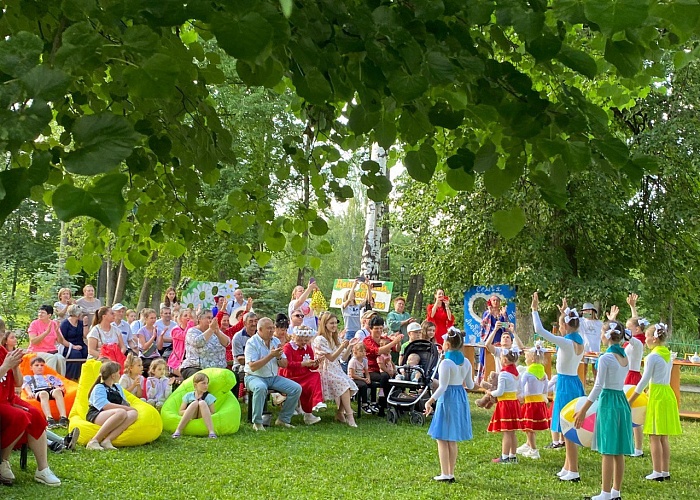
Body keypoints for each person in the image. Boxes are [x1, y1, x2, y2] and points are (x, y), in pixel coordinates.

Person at [574, 320, 633, 500]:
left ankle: (605, 493)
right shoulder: (624, 356)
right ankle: (616, 491)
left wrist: (584, 410)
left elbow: (598, 386)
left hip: (608, 401)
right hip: (621, 400)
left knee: (607, 450)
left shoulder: (606, 358)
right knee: (618, 450)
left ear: (606, 336)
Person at [531, 292, 585, 482]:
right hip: (573, 382)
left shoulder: (566, 342)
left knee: (567, 428)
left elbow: (539, 330)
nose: (559, 328)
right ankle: (567, 465)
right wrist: (565, 312)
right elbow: (572, 324)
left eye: (560, 325)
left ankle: (574, 471)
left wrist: (534, 309)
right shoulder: (580, 339)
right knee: (568, 427)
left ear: (565, 326)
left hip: (565, 384)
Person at [0, 346, 61, 486]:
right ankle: (3, 462)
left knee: (35, 414)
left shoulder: (4, 352)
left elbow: (19, 383)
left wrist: (15, 367)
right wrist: (5, 366)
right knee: (20, 416)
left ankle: (43, 469)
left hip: (8, 399)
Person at [629, 322, 681, 482]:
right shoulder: (667, 354)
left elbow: (644, 380)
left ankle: (657, 471)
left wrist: (630, 400)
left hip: (657, 396)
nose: (645, 340)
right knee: (663, 436)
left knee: (654, 436)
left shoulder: (652, 356)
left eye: (646, 337)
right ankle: (665, 470)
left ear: (654, 339)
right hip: (667, 393)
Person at [424, 328, 474, 482]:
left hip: (448, 398)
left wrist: (430, 400)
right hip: (460, 396)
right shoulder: (465, 361)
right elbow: (471, 385)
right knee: (451, 438)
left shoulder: (446, 363)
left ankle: (445, 473)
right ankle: (450, 472)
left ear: (446, 344)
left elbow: (443, 386)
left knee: (441, 437)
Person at [244, 317, 302, 431]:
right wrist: (271, 355)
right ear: (260, 329)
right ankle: (257, 423)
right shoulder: (252, 343)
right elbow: (253, 366)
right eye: (269, 328)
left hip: (273, 377)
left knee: (296, 388)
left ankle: (283, 420)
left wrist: (279, 356)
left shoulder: (275, 341)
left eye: (272, 328)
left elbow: (284, 364)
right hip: (253, 377)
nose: (272, 330)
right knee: (260, 388)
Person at [313, 312, 357, 427]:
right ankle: (349, 415)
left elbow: (343, 357)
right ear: (325, 324)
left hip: (336, 368)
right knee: (344, 384)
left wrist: (350, 346)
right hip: (324, 369)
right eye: (331, 323)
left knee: (350, 386)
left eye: (335, 323)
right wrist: (342, 346)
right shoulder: (320, 339)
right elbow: (331, 358)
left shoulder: (336, 337)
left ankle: (339, 412)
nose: (334, 325)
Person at [85, 361, 138, 451]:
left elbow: (123, 402)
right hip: (97, 414)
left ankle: (107, 440)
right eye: (118, 373)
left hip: (114, 413)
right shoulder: (99, 387)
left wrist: (129, 408)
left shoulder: (117, 387)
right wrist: (126, 408)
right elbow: (104, 406)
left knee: (133, 413)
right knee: (121, 412)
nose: (120, 375)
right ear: (113, 376)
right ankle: (94, 441)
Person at [279, 326, 326, 425]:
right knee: (309, 382)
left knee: (315, 376)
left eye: (306, 340)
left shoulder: (308, 348)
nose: (303, 342)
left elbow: (311, 368)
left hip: (303, 375)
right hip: (289, 377)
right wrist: (303, 364)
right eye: (300, 339)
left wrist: (315, 363)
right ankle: (309, 412)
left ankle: (316, 404)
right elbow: (287, 364)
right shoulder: (288, 347)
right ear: (294, 337)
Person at [487, 347, 522, 464]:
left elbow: (500, 392)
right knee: (512, 432)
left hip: (505, 404)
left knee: (506, 431)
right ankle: (513, 456)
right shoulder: (517, 373)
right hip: (514, 402)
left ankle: (505, 457)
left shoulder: (503, 374)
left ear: (505, 360)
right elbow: (520, 389)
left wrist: (490, 392)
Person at [363, 315, 403, 417]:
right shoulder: (367, 341)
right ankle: (381, 402)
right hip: (371, 370)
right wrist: (393, 342)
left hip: (385, 369)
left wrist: (398, 342)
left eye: (381, 328)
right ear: (370, 329)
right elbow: (378, 351)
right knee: (385, 378)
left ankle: (396, 403)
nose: (379, 331)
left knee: (398, 377)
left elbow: (396, 349)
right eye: (376, 328)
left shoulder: (384, 338)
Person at [516, 343, 550, 460]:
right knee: (531, 425)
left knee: (529, 427)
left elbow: (520, 386)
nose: (525, 360)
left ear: (532, 359)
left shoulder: (527, 373)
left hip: (530, 403)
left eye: (526, 357)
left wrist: (520, 395)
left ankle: (534, 450)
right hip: (540, 402)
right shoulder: (544, 373)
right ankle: (528, 444)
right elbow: (546, 388)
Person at [179, 309, 230, 380]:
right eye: (208, 318)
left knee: (233, 377)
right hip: (195, 367)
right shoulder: (192, 331)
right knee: (201, 379)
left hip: (217, 368)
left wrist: (217, 332)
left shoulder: (215, 331)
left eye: (212, 318)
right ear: (199, 319)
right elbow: (198, 342)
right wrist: (211, 330)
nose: (210, 320)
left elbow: (226, 343)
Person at [22, 357, 69, 428]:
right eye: (37, 365)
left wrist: (59, 388)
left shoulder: (49, 376)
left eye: (42, 365)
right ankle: (49, 418)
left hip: (50, 389)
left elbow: (57, 384)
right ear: (31, 368)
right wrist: (30, 393)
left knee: (57, 391)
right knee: (43, 393)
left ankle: (63, 417)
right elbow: (26, 386)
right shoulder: (28, 377)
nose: (40, 367)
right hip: (39, 391)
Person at [172, 372, 217, 438]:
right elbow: (180, 412)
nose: (206, 386)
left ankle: (211, 432)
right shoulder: (188, 396)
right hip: (191, 415)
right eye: (203, 383)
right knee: (195, 403)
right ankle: (178, 430)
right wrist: (190, 410)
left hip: (202, 415)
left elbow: (213, 412)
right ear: (195, 385)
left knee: (202, 403)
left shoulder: (209, 397)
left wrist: (203, 409)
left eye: (207, 383)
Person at [27, 305, 66, 375]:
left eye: (42, 313)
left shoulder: (53, 323)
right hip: (36, 351)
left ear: (49, 315)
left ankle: (60, 380)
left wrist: (57, 332)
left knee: (61, 359)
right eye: (39, 312)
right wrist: (46, 332)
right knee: (52, 358)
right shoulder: (34, 324)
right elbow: (33, 341)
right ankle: (49, 380)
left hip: (52, 351)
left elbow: (61, 341)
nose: (40, 314)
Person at [477, 296, 508, 382]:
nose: (495, 302)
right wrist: (489, 314)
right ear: (490, 302)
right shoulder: (487, 313)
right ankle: (483, 379)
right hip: (489, 338)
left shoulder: (502, 313)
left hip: (499, 339)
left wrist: (504, 317)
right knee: (485, 359)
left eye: (497, 300)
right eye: (493, 300)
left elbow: (507, 326)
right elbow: (483, 324)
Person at [59, 304, 88, 381]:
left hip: (80, 343)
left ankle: (84, 375)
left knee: (87, 352)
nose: (82, 314)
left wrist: (85, 324)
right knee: (76, 354)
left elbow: (85, 336)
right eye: (81, 313)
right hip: (67, 345)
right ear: (77, 314)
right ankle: (72, 377)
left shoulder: (80, 323)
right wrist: (73, 346)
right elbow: (61, 340)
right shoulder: (65, 324)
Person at [232, 312, 258, 396]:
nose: (254, 324)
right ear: (244, 323)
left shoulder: (260, 334)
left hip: (257, 365)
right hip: (240, 367)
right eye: (251, 321)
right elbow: (240, 360)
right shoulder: (238, 337)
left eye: (255, 321)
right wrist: (259, 360)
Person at [580, 301, 604, 384]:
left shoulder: (599, 323)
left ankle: (596, 386)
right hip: (584, 348)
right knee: (583, 369)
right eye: (584, 311)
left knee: (596, 370)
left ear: (592, 311)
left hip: (595, 348)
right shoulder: (581, 321)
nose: (586, 312)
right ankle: (582, 387)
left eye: (588, 310)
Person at [167, 308, 194, 376]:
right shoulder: (175, 330)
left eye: (190, 316)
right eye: (185, 316)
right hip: (178, 359)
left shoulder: (194, 329)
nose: (188, 317)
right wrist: (190, 324)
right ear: (180, 318)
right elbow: (185, 336)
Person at [348, 342, 372, 414]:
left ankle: (373, 402)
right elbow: (352, 375)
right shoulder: (353, 361)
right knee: (363, 385)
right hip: (353, 379)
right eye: (361, 351)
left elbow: (366, 372)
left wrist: (368, 378)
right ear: (355, 352)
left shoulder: (365, 360)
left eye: (364, 351)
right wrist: (363, 379)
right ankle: (364, 404)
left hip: (361, 377)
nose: (363, 353)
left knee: (373, 384)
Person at [136, 308, 161, 376]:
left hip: (156, 355)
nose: (153, 320)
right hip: (145, 356)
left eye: (155, 318)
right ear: (146, 318)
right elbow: (144, 347)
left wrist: (161, 337)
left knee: (162, 364)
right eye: (151, 318)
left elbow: (159, 347)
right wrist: (153, 337)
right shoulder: (141, 331)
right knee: (152, 366)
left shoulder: (157, 330)